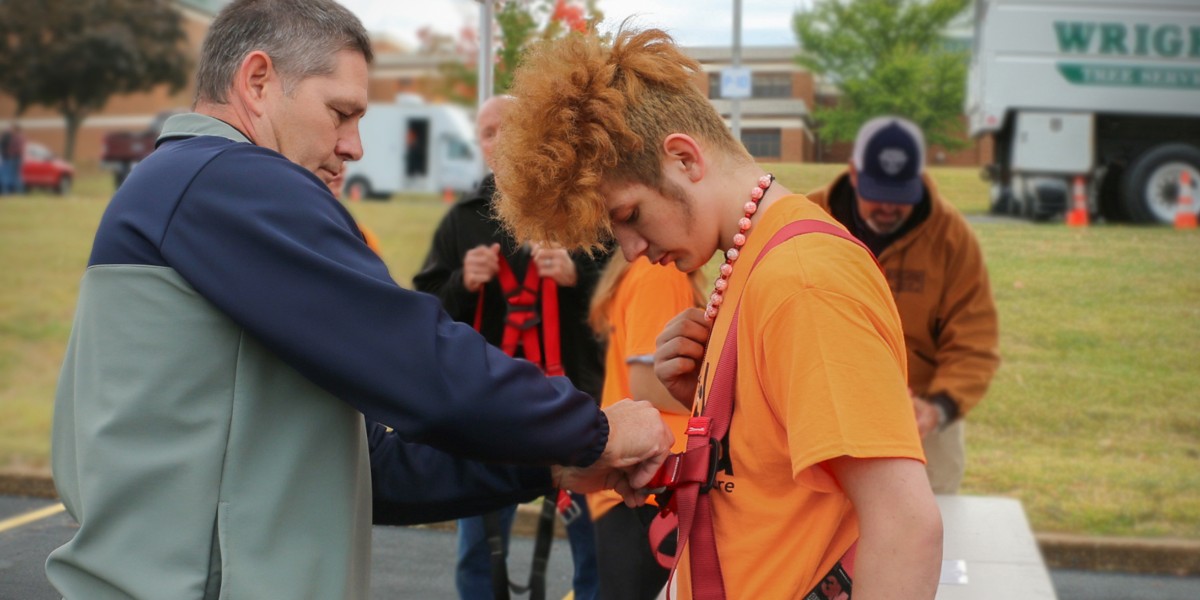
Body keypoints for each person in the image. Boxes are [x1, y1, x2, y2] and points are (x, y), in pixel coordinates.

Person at [44, 2, 673, 598]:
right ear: (258, 81)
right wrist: (591, 430)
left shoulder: (192, 190)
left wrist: (549, 467)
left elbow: (367, 467)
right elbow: (415, 357)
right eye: (340, 113)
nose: (354, 146)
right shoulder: (228, 180)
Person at [492, 26, 943, 598]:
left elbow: (906, 525)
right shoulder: (753, 258)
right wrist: (716, 410)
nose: (630, 249)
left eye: (630, 214)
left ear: (684, 158)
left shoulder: (803, 279)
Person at [412, 94, 604, 600]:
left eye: (510, 128)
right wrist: (460, 283)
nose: (498, 141)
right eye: (487, 132)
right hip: (492, 407)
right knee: (478, 541)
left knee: (595, 542)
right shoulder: (463, 221)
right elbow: (426, 308)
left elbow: (622, 298)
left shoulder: (578, 210)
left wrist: (578, 275)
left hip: (577, 398)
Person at [804, 116, 1001, 495]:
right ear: (854, 174)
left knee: (931, 529)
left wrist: (939, 408)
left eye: (901, 197)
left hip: (919, 415)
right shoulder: (806, 219)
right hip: (825, 409)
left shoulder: (952, 237)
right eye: (878, 193)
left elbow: (974, 342)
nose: (889, 209)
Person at [586, 254, 704, 599]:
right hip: (654, 486)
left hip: (644, 481)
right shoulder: (660, 274)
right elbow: (648, 384)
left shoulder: (651, 272)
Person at [0, 122, 25, 195]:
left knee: (8, 176)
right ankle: (18, 192)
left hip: (11, 157)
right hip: (14, 157)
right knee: (16, 175)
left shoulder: (12, 137)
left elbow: (12, 148)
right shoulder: (19, 137)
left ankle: (7, 192)